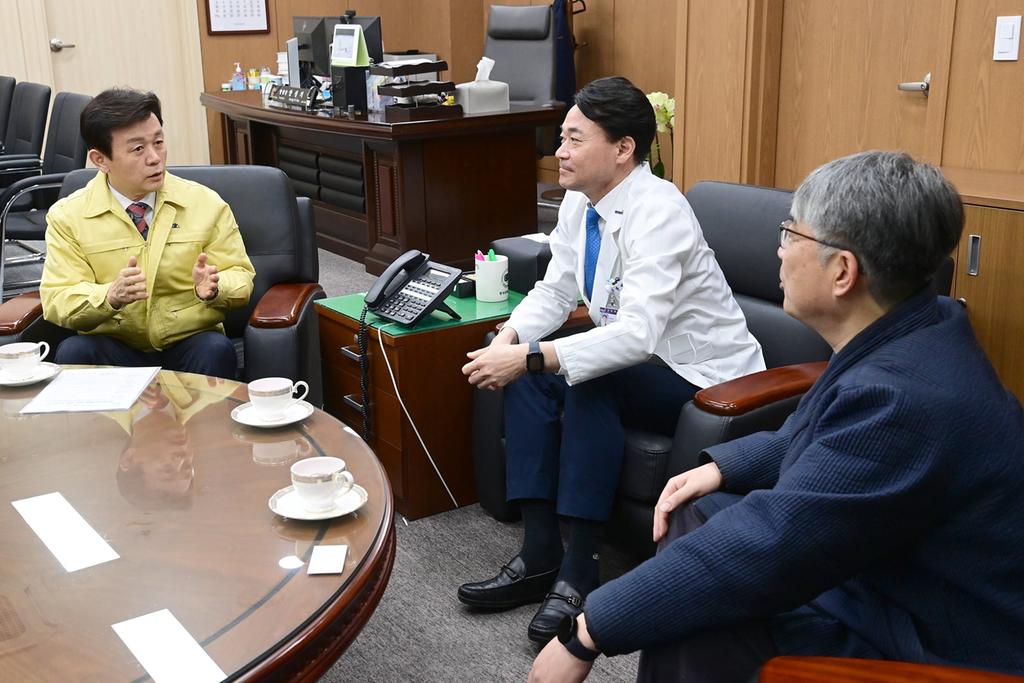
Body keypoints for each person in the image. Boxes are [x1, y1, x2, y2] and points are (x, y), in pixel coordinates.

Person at [528, 150, 1024, 682]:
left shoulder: (903, 398)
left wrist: (586, 633)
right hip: (894, 573)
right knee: (699, 514)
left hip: (932, 639)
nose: (779, 251)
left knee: (701, 612)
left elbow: (773, 543)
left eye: (791, 234)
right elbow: (820, 434)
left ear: (842, 272)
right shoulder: (915, 326)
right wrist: (724, 467)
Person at [458, 76, 765, 644]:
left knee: (584, 379)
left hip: (704, 378)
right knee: (529, 377)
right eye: (561, 138)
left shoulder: (660, 209)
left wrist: (534, 356)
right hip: (638, 361)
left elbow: (639, 336)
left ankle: (580, 574)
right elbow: (555, 292)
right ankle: (540, 553)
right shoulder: (581, 203)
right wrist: (510, 338)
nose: (559, 151)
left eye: (575, 139)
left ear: (623, 148)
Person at [40, 88, 255, 379]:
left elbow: (240, 275)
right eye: (138, 149)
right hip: (115, 345)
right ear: (100, 160)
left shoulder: (204, 203)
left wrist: (215, 288)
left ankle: (202, 426)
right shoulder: (69, 216)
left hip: (188, 341)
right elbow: (58, 298)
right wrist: (110, 296)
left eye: (159, 142)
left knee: (215, 349)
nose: (155, 158)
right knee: (75, 352)